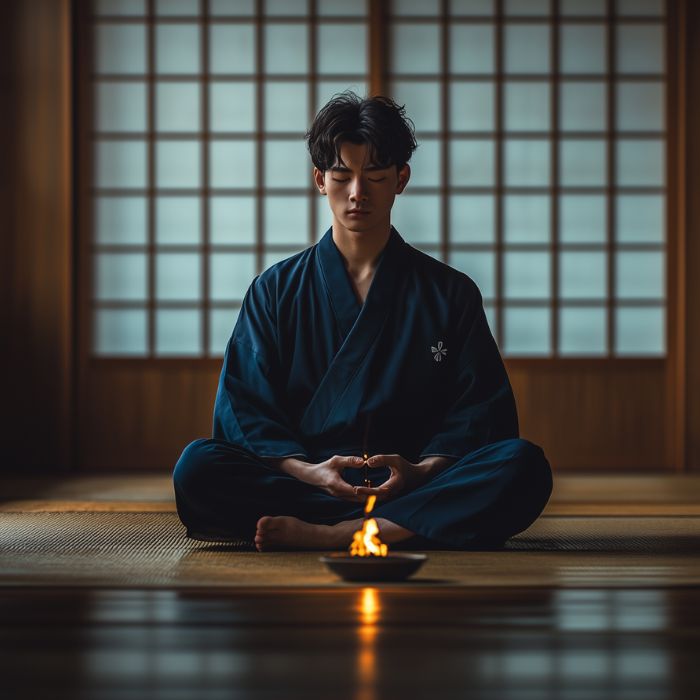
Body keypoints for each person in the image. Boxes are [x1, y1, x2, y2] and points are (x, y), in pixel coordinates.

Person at [173, 92, 552, 551]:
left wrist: (420, 471)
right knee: (197, 466)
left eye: (375, 176)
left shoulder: (450, 292)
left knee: (523, 466)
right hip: (309, 487)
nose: (358, 193)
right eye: (342, 176)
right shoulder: (274, 291)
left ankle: (343, 534)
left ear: (401, 179)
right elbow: (245, 408)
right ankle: (401, 529)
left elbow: (479, 411)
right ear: (319, 180)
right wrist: (309, 471)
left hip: (413, 486)